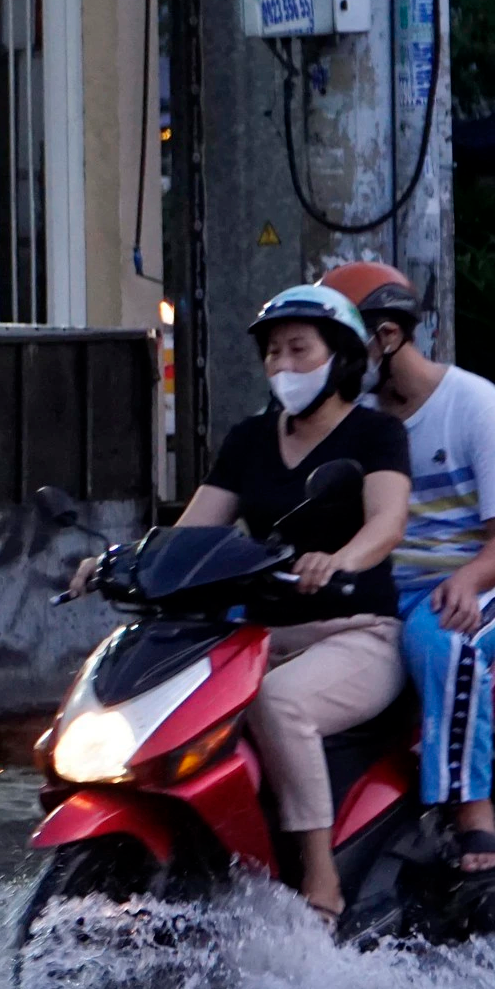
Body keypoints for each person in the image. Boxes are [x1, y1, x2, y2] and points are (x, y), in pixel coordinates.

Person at [71, 285, 412, 929]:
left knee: (277, 701)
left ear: (338, 357)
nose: (284, 365)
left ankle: (320, 879)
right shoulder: (250, 439)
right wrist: (118, 560)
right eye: (273, 353)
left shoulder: (376, 434)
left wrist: (340, 559)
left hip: (357, 632)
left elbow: (387, 523)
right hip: (261, 635)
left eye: (299, 349)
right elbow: (194, 529)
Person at [321, 261, 495, 879]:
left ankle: (471, 811)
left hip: (488, 576)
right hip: (386, 581)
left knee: (443, 639)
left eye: (341, 344)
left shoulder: (476, 407)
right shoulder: (354, 417)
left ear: (387, 337)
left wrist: (468, 581)